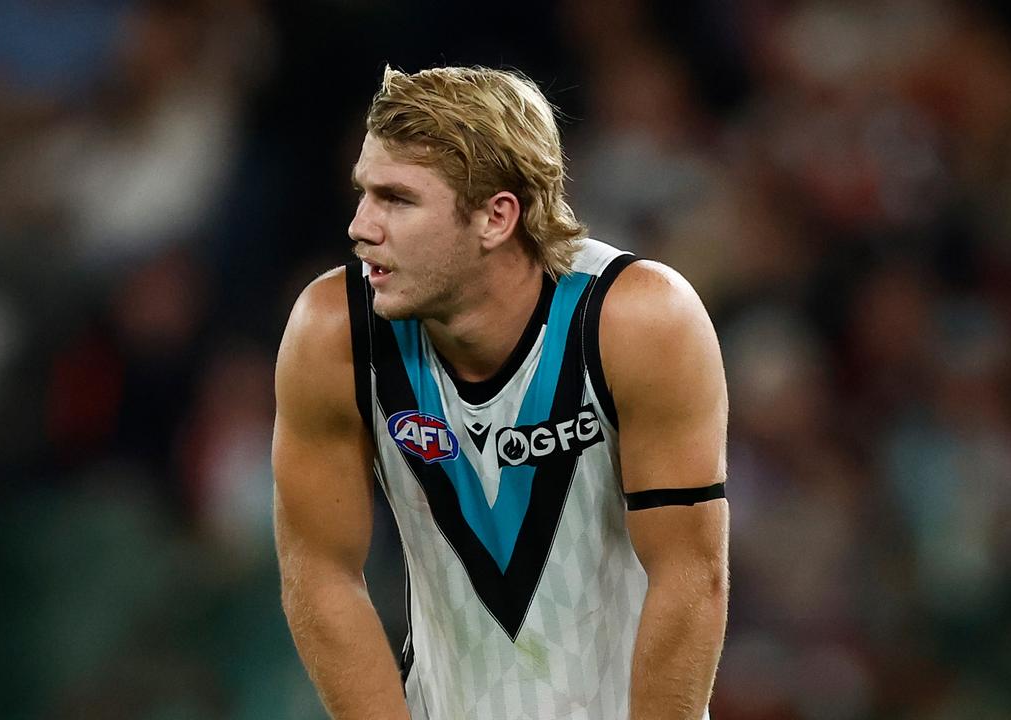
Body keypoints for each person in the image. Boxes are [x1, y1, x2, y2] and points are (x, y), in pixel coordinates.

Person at [272, 65, 729, 720]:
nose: (360, 225)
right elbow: (320, 575)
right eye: (363, 193)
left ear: (496, 216)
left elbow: (691, 577)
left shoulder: (638, 321)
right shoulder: (334, 335)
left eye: (396, 199)